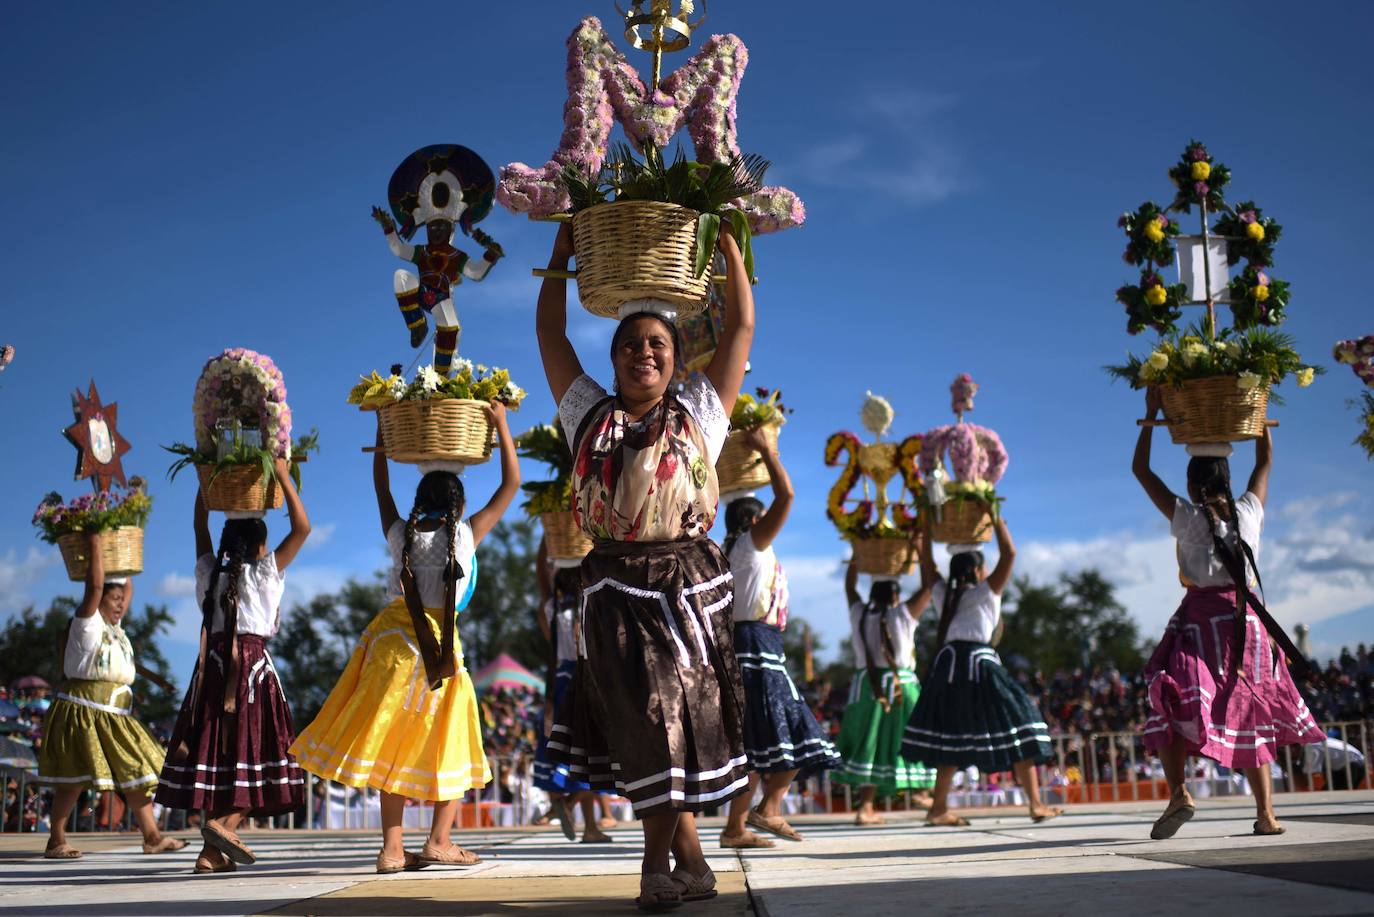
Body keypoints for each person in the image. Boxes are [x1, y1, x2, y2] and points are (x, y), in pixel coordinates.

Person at [535, 221, 752, 911]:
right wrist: (562, 257)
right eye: (631, 344)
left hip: (684, 589)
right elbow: (551, 339)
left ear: (676, 356)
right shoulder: (586, 414)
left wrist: (728, 251)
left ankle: (656, 861)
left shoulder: (700, 415)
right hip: (611, 592)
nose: (643, 353)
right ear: (615, 357)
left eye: (657, 343)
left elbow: (741, 328)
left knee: (669, 722)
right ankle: (690, 860)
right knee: (646, 726)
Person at [290, 403, 519, 872]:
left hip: (392, 646)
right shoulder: (466, 534)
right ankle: (439, 840)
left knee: (392, 743)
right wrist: (500, 424)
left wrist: (381, 436)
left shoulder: (400, 533)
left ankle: (392, 850)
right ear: (458, 504)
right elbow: (510, 485)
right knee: (452, 739)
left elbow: (380, 487)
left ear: (421, 502)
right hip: (437, 649)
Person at [1132, 389, 1321, 838]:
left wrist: (1151, 415)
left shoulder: (1188, 517)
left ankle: (1178, 790)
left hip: (1202, 625)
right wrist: (1260, 417)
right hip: (1249, 625)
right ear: (1227, 480)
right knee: (1252, 711)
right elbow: (1264, 465)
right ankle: (1267, 815)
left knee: (1172, 695)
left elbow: (1140, 471)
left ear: (1194, 485)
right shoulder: (1248, 512)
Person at [155, 462, 311, 873]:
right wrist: (281, 475)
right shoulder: (265, 572)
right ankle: (225, 826)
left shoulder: (211, 572)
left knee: (226, 757)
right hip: (252, 672)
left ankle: (210, 854)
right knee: (259, 751)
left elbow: (197, 527)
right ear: (262, 545)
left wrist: (209, 480)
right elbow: (303, 529)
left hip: (213, 669)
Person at [719, 437, 839, 849]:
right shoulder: (751, 546)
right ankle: (767, 810)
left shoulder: (732, 550)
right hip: (758, 650)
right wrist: (767, 449)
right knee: (798, 734)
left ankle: (738, 826)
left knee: (758, 744)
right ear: (754, 522)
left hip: (752, 648)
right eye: (765, 517)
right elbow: (786, 495)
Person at [901, 516, 1060, 826]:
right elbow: (1010, 554)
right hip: (980, 666)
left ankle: (938, 808)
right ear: (976, 570)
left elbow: (926, 561)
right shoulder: (985, 592)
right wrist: (994, 515)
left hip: (949, 670)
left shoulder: (941, 593)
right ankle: (1036, 804)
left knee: (951, 737)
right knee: (1021, 726)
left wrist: (924, 533)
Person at [36, 531, 187, 859]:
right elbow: (93, 586)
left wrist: (125, 530)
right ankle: (56, 839)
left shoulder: (116, 630)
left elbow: (127, 587)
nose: (120, 602)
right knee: (74, 777)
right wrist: (95, 540)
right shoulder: (86, 623)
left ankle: (152, 835)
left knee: (135, 771)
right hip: (84, 710)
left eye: (122, 598)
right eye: (113, 597)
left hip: (115, 713)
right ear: (99, 597)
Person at [833, 554, 937, 826]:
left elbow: (849, 589)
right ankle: (922, 791)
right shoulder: (902, 613)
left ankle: (865, 807)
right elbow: (929, 588)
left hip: (866, 687)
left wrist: (857, 558)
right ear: (896, 596)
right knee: (913, 738)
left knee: (871, 744)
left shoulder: (860, 612)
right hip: (899, 686)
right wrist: (921, 551)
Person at [532, 541, 612, 844]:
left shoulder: (552, 610)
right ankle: (587, 823)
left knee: (568, 752)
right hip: (586, 680)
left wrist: (546, 540)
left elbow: (542, 579)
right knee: (591, 754)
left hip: (559, 681)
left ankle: (569, 808)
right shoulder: (593, 605)